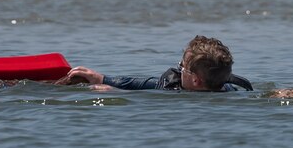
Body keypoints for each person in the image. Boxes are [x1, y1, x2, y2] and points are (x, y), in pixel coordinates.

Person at [58, 34, 253, 92]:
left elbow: (143, 91)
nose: (178, 70)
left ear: (195, 81)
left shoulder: (173, 92)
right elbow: (142, 83)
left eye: (181, 67)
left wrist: (111, 90)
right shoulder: (232, 90)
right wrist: (100, 77)